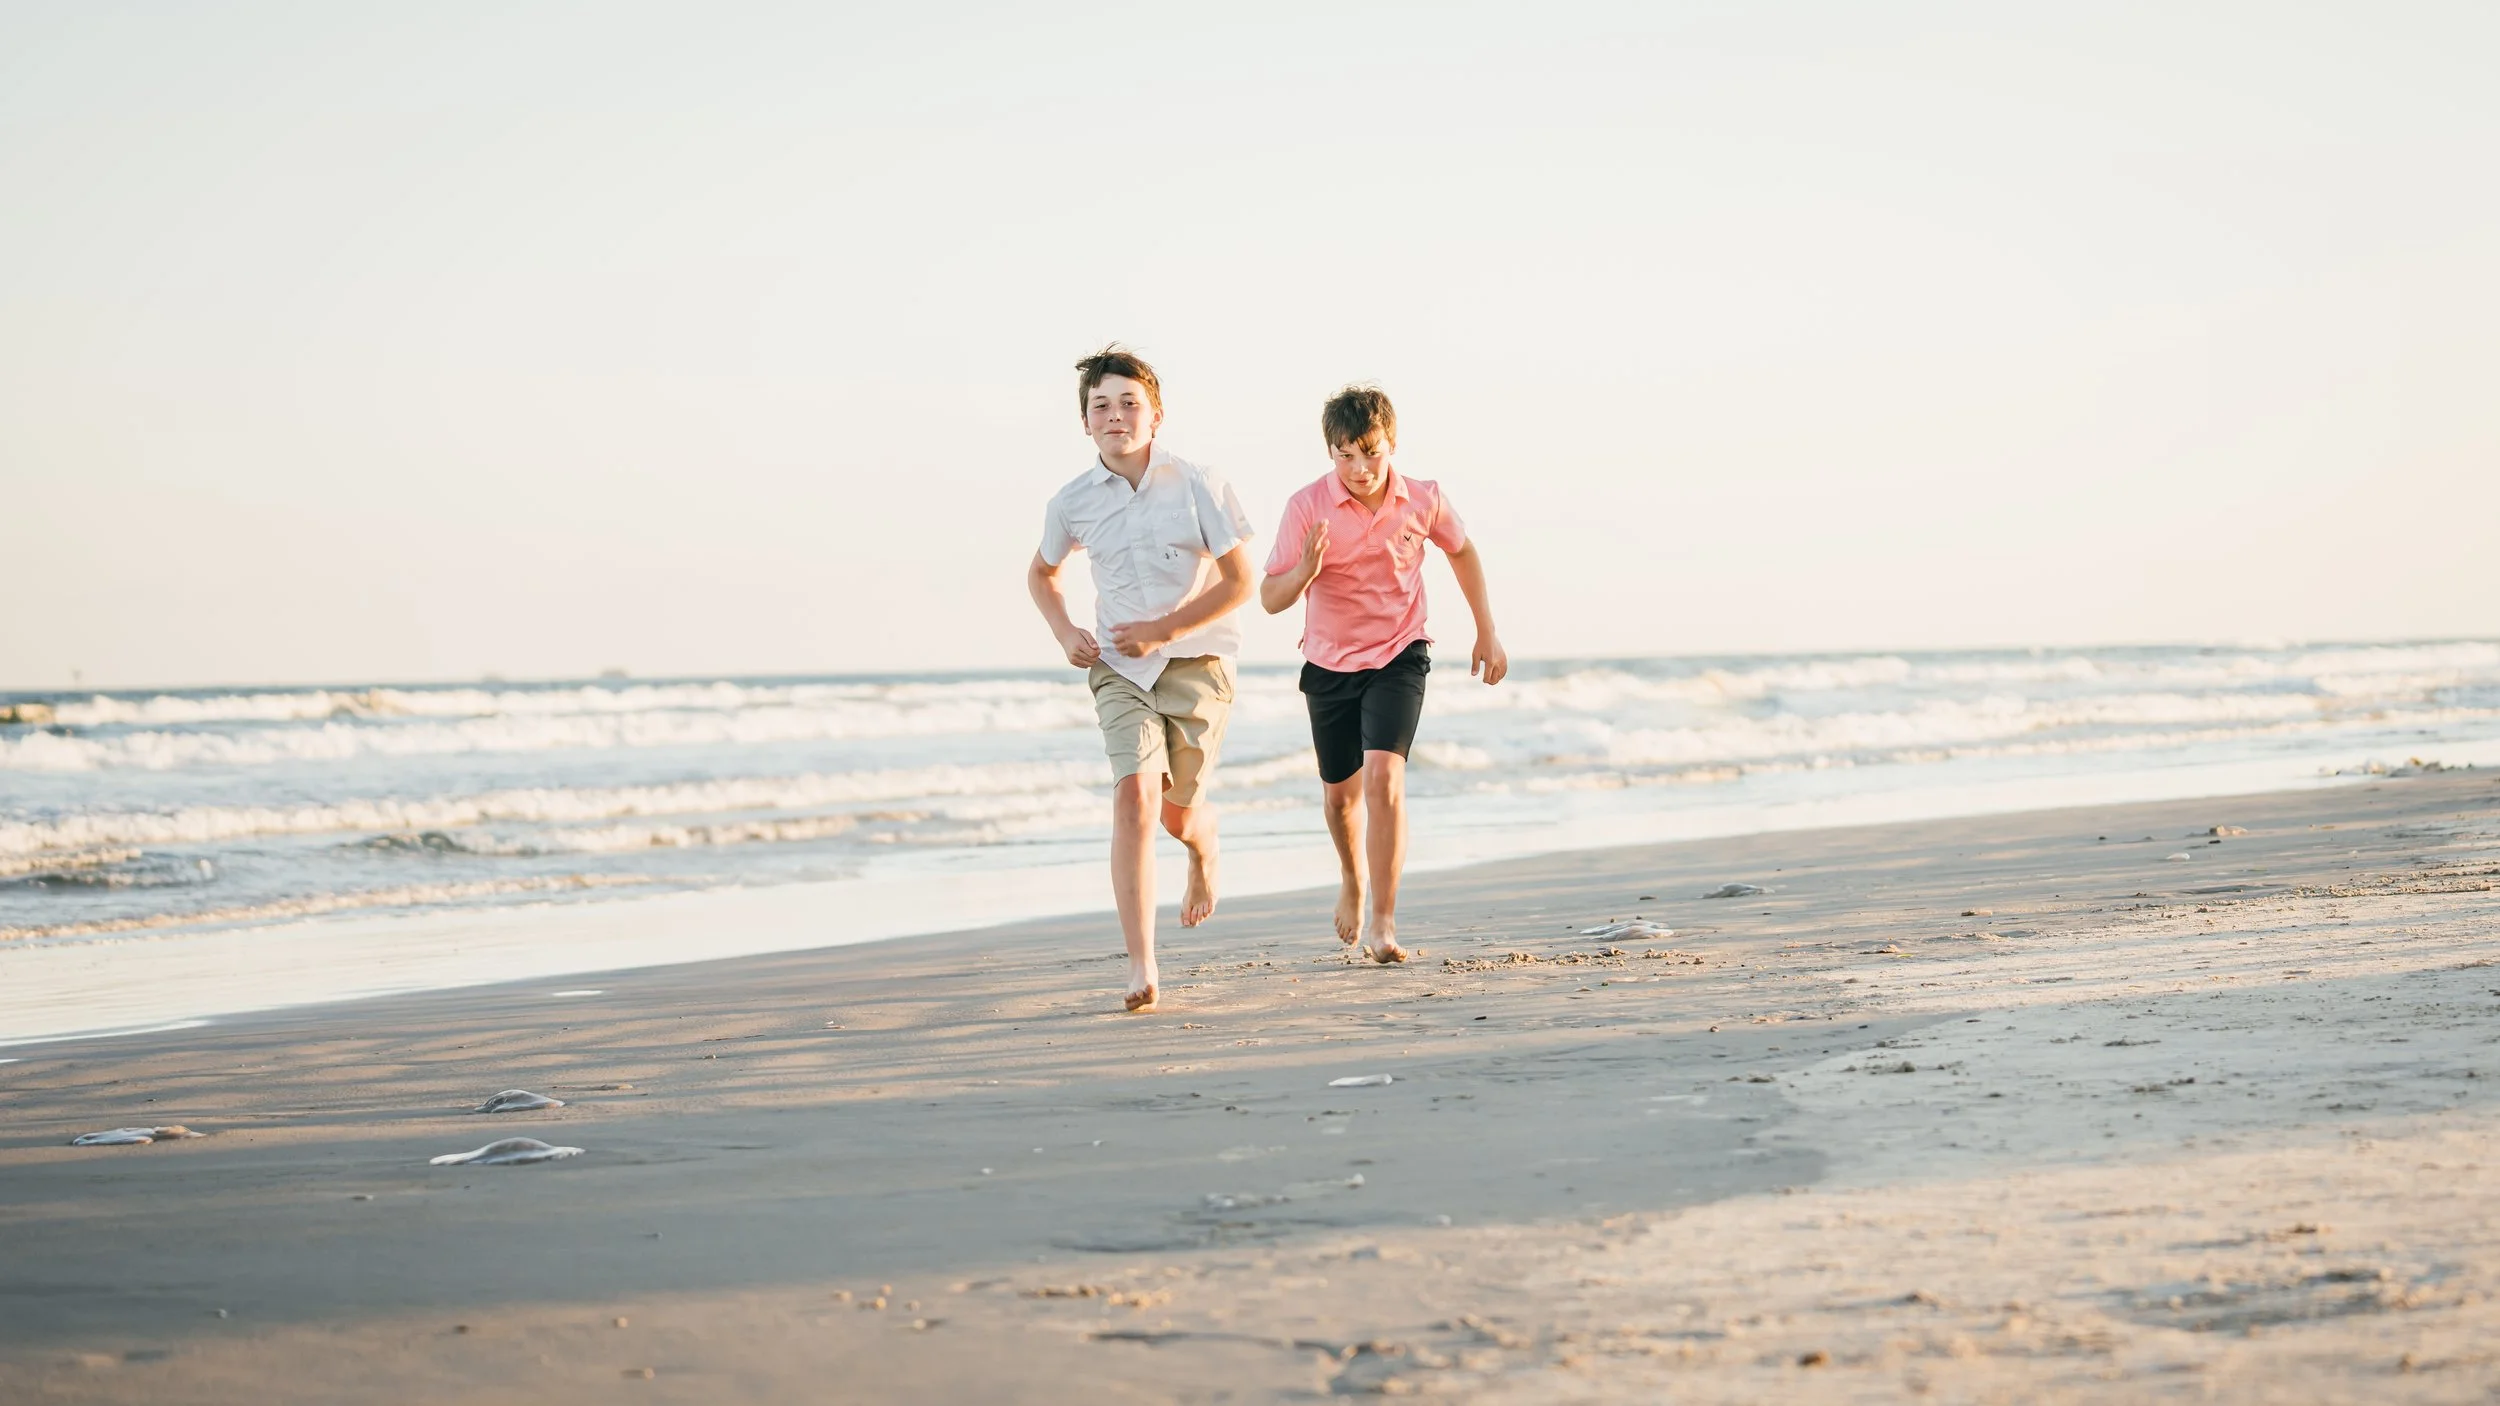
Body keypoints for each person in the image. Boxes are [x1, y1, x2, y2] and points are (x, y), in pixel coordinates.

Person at [1027, 347, 1256, 1011]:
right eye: (1102, 405)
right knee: (1135, 800)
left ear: (1156, 415)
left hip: (1198, 664)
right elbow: (1041, 574)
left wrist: (1166, 629)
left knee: (1179, 812)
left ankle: (1204, 845)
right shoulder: (1070, 502)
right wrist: (1066, 632)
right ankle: (1142, 966)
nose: (1116, 414)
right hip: (1120, 670)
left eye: (1130, 403)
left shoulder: (1199, 484)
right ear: (1085, 423)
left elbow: (1242, 581)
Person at [1260, 384, 1506, 962]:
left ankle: (1384, 923)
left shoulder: (1423, 499)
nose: (1359, 468)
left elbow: (1463, 552)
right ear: (1330, 453)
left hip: (1400, 651)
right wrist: (1306, 570)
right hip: (1328, 662)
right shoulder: (1306, 507)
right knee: (1341, 799)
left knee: (1384, 780)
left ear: (1390, 443)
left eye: (1369, 452)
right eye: (1344, 455)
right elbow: (1270, 597)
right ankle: (1352, 878)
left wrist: (1486, 629)